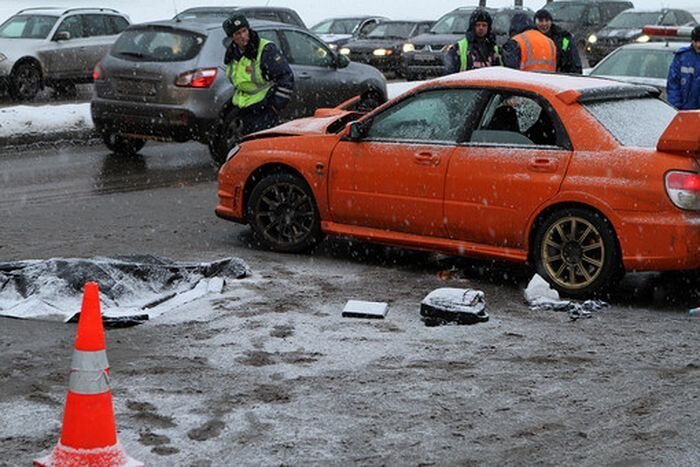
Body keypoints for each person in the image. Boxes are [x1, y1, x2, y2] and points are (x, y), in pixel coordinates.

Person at [222, 15, 294, 135]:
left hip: (263, 108)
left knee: (261, 146)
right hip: (245, 108)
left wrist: (275, 106)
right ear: (232, 37)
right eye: (238, 34)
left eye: (244, 31)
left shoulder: (265, 50)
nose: (243, 36)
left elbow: (286, 77)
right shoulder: (232, 54)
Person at [444, 9, 502, 74]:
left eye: (484, 25)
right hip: (466, 83)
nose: (481, 28)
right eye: (478, 25)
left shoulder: (494, 48)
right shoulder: (459, 48)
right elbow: (450, 73)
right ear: (473, 26)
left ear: (488, 27)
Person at [533, 9, 582, 74]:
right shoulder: (530, 37)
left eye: (547, 20)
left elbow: (572, 58)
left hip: (558, 76)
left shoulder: (563, 38)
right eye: (541, 21)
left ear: (551, 22)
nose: (544, 24)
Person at [667, 25, 700, 110]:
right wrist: (675, 107)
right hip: (684, 111)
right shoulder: (682, 57)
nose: (698, 44)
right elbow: (673, 84)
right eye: (695, 41)